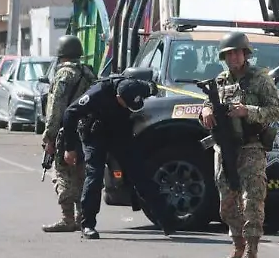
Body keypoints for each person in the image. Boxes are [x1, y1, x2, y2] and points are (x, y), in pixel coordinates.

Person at [60, 68, 177, 239]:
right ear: (118, 97)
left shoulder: (139, 87)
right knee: (95, 175)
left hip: (120, 133)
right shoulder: (98, 93)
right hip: (95, 133)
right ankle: (87, 224)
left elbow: (154, 88)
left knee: (140, 173)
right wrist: (69, 148)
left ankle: (166, 220)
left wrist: (153, 88)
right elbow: (70, 113)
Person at [200, 31, 279, 258]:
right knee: (227, 203)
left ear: (245, 54)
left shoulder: (260, 79)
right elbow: (209, 103)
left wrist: (248, 111)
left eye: (237, 53)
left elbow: (275, 110)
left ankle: (250, 255)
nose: (233, 58)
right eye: (228, 54)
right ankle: (237, 248)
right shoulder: (221, 80)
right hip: (225, 148)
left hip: (251, 148)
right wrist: (205, 111)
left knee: (251, 202)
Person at [41, 35, 96, 232]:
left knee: (62, 173)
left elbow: (56, 108)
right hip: (87, 131)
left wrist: (49, 136)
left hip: (66, 132)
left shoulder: (64, 75)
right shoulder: (88, 73)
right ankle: (82, 217)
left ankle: (68, 218)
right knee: (81, 174)